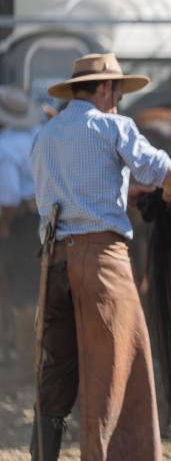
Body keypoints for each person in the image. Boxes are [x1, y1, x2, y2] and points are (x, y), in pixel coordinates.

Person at [29, 53, 171, 460]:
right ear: (104, 89)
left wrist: (124, 194)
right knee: (119, 373)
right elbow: (170, 175)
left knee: (57, 374)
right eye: (116, 92)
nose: (117, 100)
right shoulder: (113, 126)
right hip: (101, 263)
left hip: (53, 264)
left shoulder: (44, 135)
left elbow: (68, 194)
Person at [0, 86, 41, 366]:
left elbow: (10, 197)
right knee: (37, 282)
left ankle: (26, 357)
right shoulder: (38, 134)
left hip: (22, 221)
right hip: (45, 216)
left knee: (21, 286)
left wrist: (4, 225)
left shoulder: (5, 146)